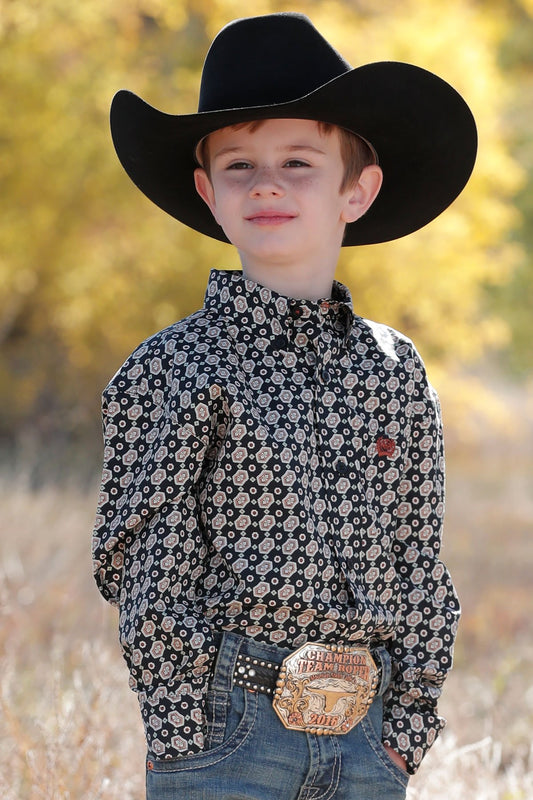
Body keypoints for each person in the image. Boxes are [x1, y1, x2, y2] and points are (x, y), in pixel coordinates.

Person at [92, 12, 477, 799]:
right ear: (207, 192)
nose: (265, 183)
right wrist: (183, 725)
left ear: (356, 191)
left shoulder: (394, 370)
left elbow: (417, 558)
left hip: (369, 739)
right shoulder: (175, 366)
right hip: (228, 730)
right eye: (238, 165)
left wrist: (404, 731)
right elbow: (143, 555)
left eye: (298, 162)